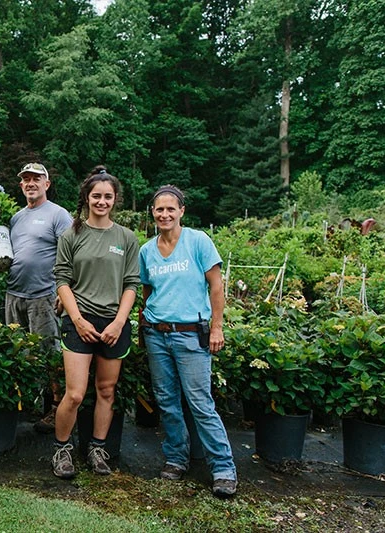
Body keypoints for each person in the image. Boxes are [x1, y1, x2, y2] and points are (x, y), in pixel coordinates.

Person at [138, 184, 238, 498]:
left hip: (192, 334)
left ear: (181, 211)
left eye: (171, 208)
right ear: (152, 213)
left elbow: (216, 287)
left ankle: (223, 468)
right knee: (166, 401)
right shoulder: (146, 250)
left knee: (200, 403)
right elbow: (147, 292)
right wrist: (145, 324)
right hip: (157, 335)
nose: (164, 214)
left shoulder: (198, 242)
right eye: (159, 209)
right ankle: (176, 458)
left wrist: (217, 328)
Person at [50, 166, 139, 478]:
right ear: (86, 198)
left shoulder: (126, 238)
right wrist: (77, 320)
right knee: (74, 394)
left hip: (114, 323)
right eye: (96, 196)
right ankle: (62, 449)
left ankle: (97, 448)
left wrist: (118, 322)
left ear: (115, 200)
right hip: (79, 320)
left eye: (108, 196)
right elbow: (62, 280)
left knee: (106, 390)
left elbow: (131, 283)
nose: (102, 201)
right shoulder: (71, 235)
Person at [0, 163, 73, 433]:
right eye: (26, 179)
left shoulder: (58, 215)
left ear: (47, 184)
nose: (31, 183)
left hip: (43, 296)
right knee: (19, 353)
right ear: (20, 185)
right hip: (14, 294)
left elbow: (70, 255)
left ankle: (56, 408)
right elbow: (6, 254)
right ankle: (26, 402)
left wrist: (67, 292)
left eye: (36, 179)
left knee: (50, 353)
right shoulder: (17, 218)